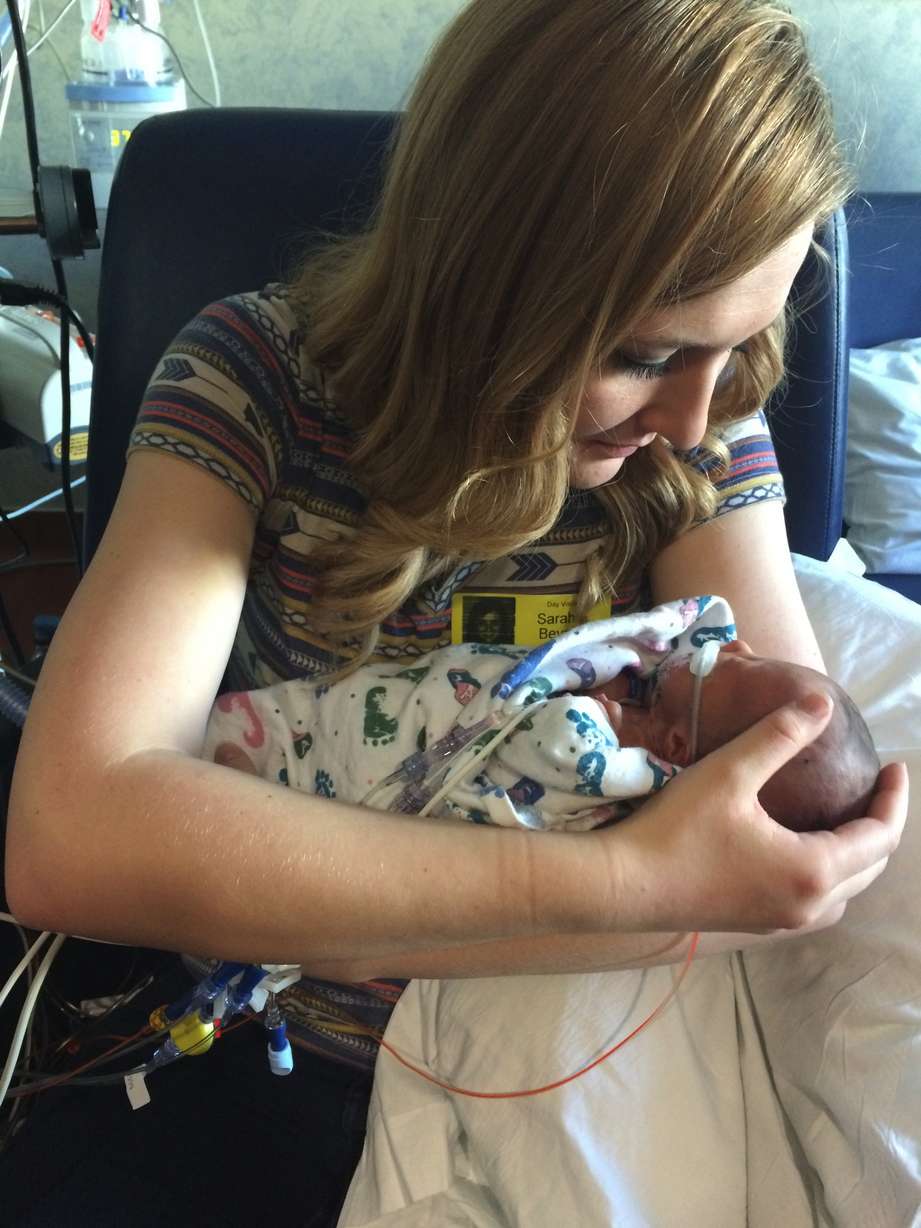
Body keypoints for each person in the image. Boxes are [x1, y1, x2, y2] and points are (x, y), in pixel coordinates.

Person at [3, 0, 908, 1224]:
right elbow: (73, 836)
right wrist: (633, 890)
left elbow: (770, 848)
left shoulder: (701, 448)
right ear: (485, 274)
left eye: (739, 343)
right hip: (254, 1048)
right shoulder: (253, 385)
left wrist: (289, 889)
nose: (699, 416)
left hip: (559, 1063)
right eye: (647, 353)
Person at [204, 595, 879, 835]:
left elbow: (550, 736)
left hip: (351, 784)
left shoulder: (610, 766)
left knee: (258, 775)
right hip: (356, 704)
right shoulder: (640, 690)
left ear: (679, 740)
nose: (736, 644)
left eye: (746, 668)